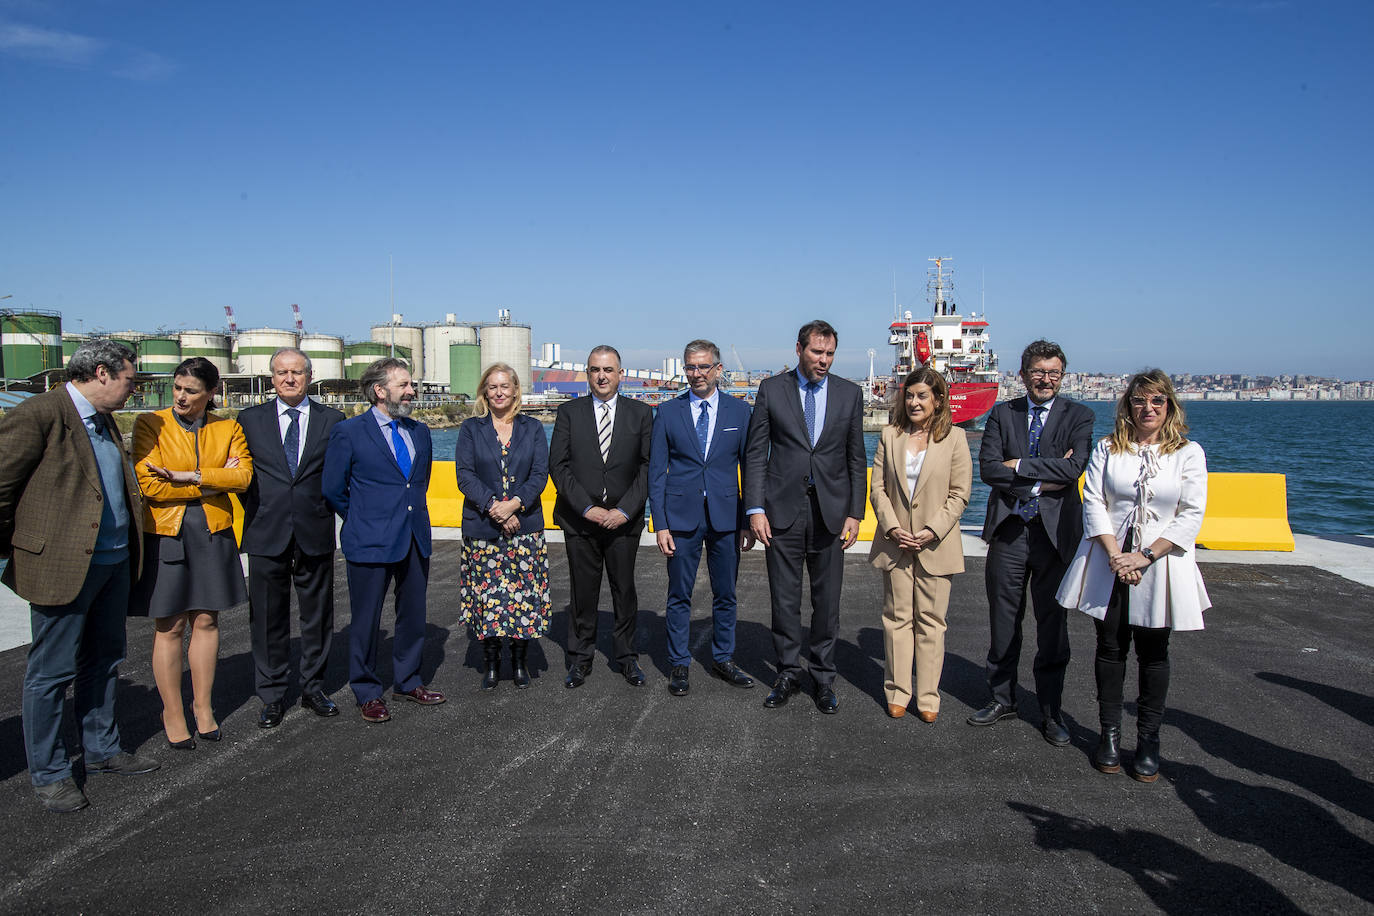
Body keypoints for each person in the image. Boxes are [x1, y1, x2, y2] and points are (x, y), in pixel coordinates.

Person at [0, 340, 159, 812]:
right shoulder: (40, 414)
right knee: (51, 673)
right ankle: (50, 775)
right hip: (63, 567)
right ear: (101, 373)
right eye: (130, 379)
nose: (134, 389)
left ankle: (102, 749)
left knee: (105, 660)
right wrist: (21, 555)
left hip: (112, 562)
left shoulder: (104, 419)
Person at [1056, 369, 1210, 782]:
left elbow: (1191, 513)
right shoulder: (1109, 448)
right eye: (1140, 400)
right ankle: (1109, 734)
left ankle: (1148, 740)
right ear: (1128, 405)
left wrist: (1143, 556)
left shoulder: (1188, 453)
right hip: (1109, 560)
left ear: (1169, 406)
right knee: (1109, 648)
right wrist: (1114, 554)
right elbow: (1094, 501)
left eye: (1157, 401)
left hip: (1160, 565)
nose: (1148, 408)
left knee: (1154, 653)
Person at [970, 339, 1094, 746]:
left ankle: (1050, 710)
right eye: (1038, 372)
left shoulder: (1080, 415)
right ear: (1022, 374)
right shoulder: (1004, 414)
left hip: (1055, 537)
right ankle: (1002, 698)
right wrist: (1047, 478)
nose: (1046, 379)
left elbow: (1075, 468)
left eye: (1053, 372)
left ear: (1063, 375)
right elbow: (988, 469)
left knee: (1052, 626)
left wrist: (1020, 466)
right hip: (1009, 532)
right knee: (1004, 621)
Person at [743, 319, 866, 714]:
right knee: (784, 599)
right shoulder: (772, 389)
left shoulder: (850, 394)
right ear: (798, 350)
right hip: (781, 512)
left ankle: (824, 677)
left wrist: (854, 512)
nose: (824, 360)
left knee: (827, 603)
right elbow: (756, 453)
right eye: (817, 352)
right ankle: (787, 672)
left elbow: (855, 457)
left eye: (830, 353)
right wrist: (755, 508)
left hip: (831, 513)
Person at [132, 357, 254, 749]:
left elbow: (244, 477)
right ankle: (172, 711)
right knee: (170, 626)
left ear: (211, 393)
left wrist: (189, 476)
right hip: (167, 532)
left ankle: (203, 708)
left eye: (191, 391)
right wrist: (213, 484)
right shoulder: (151, 424)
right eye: (178, 388)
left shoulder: (228, 427)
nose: (181, 397)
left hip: (212, 532)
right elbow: (151, 486)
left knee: (206, 620)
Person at [323, 357, 444, 722]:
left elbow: (416, 484)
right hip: (369, 539)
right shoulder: (350, 432)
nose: (412, 391)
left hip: (413, 538)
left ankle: (408, 681)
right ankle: (367, 690)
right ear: (380, 390)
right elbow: (333, 489)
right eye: (405, 385)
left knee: (412, 616)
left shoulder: (419, 431)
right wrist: (363, 518)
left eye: (412, 385)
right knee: (366, 619)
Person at [238, 347, 345, 727]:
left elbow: (339, 475)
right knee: (267, 618)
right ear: (271, 378)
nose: (289, 378)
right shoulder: (248, 420)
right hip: (266, 530)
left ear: (309, 376)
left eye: (296, 372)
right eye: (281, 372)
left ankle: (313, 687)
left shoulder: (333, 420)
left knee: (317, 616)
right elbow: (240, 478)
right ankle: (271, 694)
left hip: (314, 529)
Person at [648, 339, 755, 697]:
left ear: (718, 370)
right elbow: (657, 473)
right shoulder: (667, 412)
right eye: (690, 367)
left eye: (703, 367)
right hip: (680, 518)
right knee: (679, 594)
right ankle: (679, 662)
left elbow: (750, 468)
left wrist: (748, 518)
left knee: (725, 594)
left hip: (727, 517)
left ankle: (723, 658)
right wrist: (660, 522)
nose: (696, 374)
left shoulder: (740, 413)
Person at [868, 367, 972, 721]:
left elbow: (960, 495)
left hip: (934, 544)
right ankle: (897, 690)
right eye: (909, 395)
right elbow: (878, 488)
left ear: (938, 399)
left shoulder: (955, 439)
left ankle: (928, 696)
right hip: (896, 543)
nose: (914, 402)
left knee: (931, 621)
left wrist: (932, 530)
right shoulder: (889, 436)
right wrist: (893, 528)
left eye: (922, 396)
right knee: (897, 619)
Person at [549, 345, 654, 689]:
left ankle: (626, 658)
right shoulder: (568, 412)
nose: (602, 376)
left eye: (608, 369)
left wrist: (624, 510)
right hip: (580, 520)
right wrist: (587, 508)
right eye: (595, 370)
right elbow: (559, 467)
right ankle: (580, 659)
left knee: (624, 591)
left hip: (625, 521)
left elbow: (647, 467)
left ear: (621, 374)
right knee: (583, 592)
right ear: (587, 374)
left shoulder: (641, 413)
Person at [454, 362, 551, 690]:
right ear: (484, 390)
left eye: (504, 386)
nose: (498, 392)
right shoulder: (471, 428)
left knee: (522, 597)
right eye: (492, 387)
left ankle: (520, 661)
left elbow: (539, 475)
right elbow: (464, 475)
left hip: (525, 529)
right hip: (483, 528)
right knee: (489, 599)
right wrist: (495, 507)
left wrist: (514, 505)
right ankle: (491, 663)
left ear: (515, 390)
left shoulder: (533, 428)